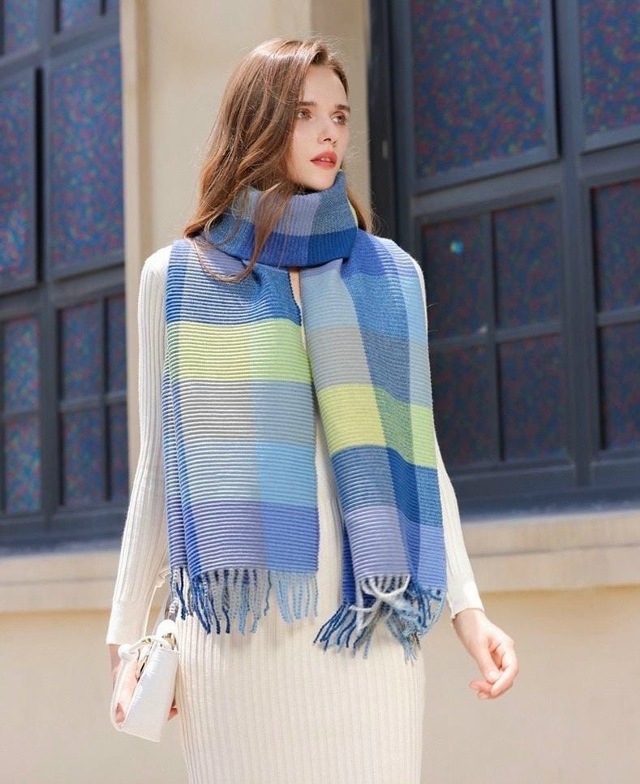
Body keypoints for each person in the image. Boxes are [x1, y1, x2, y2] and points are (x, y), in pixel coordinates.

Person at [107, 37, 518, 783]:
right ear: (257, 122)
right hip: (239, 634)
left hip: (369, 624)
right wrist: (124, 640)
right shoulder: (177, 278)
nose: (329, 132)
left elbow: (420, 456)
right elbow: (160, 467)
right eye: (304, 114)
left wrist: (469, 611)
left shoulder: (393, 276)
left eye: (340, 115)